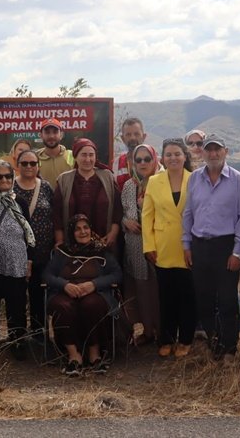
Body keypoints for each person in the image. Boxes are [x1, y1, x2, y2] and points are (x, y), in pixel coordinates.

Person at [181, 134, 240, 361]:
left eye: (217, 150)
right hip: (200, 245)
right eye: (209, 150)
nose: (213, 154)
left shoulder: (239, 181)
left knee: (227, 299)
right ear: (202, 153)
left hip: (226, 245)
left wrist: (238, 251)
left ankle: (229, 348)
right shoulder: (194, 179)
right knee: (203, 298)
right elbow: (188, 213)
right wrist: (186, 244)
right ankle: (215, 343)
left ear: (226, 152)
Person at [44, 214, 123, 376]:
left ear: (91, 229)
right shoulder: (62, 252)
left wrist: (94, 284)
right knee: (62, 306)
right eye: (78, 229)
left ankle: (94, 353)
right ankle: (74, 356)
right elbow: (47, 275)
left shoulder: (101, 251)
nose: (83, 232)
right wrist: (65, 285)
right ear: (72, 232)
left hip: (94, 292)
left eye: (86, 227)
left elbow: (117, 274)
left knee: (92, 304)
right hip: (65, 292)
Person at [142, 139, 195, 358]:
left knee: (187, 297)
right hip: (162, 247)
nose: (173, 158)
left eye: (177, 154)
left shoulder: (195, 180)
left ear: (185, 156)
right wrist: (149, 245)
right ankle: (166, 339)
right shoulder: (154, 181)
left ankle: (185, 340)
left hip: (188, 247)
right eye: (169, 154)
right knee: (166, 298)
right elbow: (147, 215)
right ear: (162, 158)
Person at [0, 161, 35, 359]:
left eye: (8, 177)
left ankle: (18, 342)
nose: (4, 180)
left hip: (16, 262)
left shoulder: (20, 201)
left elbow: (28, 232)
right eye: (0, 177)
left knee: (17, 306)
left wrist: (29, 261)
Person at [120, 143, 161, 347]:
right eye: (139, 160)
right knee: (141, 289)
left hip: (159, 244)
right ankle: (147, 330)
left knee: (160, 289)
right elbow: (122, 213)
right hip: (135, 246)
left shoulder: (163, 182)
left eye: (147, 159)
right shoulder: (129, 185)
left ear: (155, 159)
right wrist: (125, 222)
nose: (143, 163)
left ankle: (165, 333)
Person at [12, 149, 55, 340]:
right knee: (18, 296)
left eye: (33, 163)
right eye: (24, 163)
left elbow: (55, 214)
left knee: (39, 295)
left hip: (43, 253)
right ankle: (18, 335)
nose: (29, 167)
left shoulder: (45, 187)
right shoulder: (9, 187)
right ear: (17, 165)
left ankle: (39, 334)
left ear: (38, 166)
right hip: (16, 252)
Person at [52, 138, 121, 252]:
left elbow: (117, 209)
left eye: (91, 155)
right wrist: (60, 240)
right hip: (72, 244)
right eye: (83, 155)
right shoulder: (64, 179)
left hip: (104, 241)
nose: (88, 159)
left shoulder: (107, 177)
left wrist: (113, 233)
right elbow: (57, 213)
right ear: (75, 156)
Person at [35, 118, 74, 189]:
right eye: (47, 132)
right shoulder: (34, 158)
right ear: (41, 135)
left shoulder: (73, 156)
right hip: (43, 199)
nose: (51, 136)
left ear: (61, 135)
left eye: (55, 132)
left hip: (66, 199)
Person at [112, 117, 147, 190]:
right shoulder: (116, 164)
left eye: (136, 134)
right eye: (128, 135)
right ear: (122, 138)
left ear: (143, 137)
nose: (132, 138)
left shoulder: (155, 163)